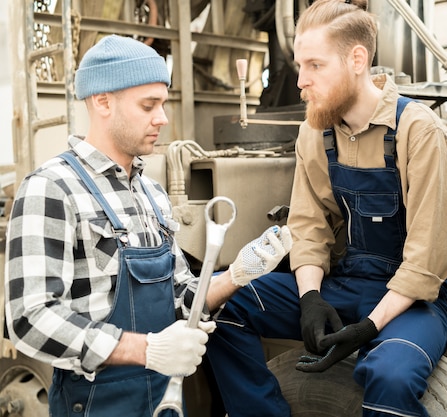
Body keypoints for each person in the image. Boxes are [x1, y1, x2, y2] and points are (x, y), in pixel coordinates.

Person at [4, 34, 292, 417]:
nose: (163, 118)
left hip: (164, 401)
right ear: (102, 101)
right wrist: (146, 350)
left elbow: (179, 302)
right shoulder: (51, 188)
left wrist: (237, 274)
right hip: (96, 404)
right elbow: (30, 319)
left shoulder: (151, 193)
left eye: (163, 103)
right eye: (148, 105)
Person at [205, 0, 447, 416]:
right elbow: (308, 227)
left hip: (413, 298)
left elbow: (427, 261)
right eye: (299, 65)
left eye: (315, 65)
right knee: (219, 302)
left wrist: (368, 328)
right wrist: (309, 297)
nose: (301, 81)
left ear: (356, 59)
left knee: (392, 377)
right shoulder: (315, 132)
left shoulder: (419, 131)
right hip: (345, 283)